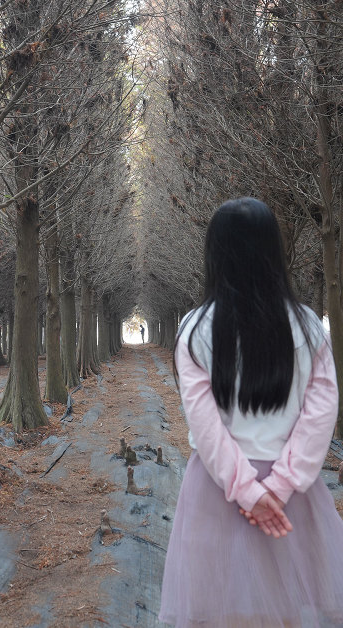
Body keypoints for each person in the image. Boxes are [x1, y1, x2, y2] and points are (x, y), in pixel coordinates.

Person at [159, 198, 343, 627]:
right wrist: (278, 488)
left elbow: (206, 429)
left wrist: (249, 492)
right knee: (292, 611)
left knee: (221, 612)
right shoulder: (309, 326)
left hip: (218, 492)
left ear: (215, 255)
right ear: (274, 251)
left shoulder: (194, 329)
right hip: (294, 497)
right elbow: (320, 417)